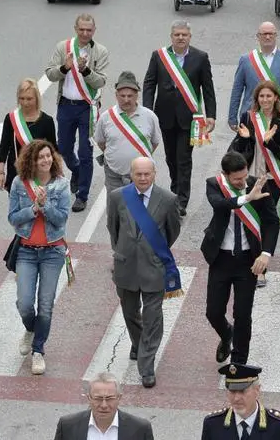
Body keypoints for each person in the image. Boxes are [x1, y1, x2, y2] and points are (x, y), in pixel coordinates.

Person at [106, 157, 182, 388]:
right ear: (131, 174)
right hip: (126, 265)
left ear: (155, 174)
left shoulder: (168, 200)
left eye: (147, 174)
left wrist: (153, 250)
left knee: (152, 317)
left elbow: (172, 231)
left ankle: (146, 365)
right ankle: (138, 344)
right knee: (130, 313)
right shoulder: (118, 196)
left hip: (154, 267)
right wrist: (123, 250)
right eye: (138, 174)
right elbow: (113, 227)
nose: (143, 178)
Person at [202, 152, 280, 365]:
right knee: (213, 312)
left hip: (248, 261)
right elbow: (220, 205)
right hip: (221, 258)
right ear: (225, 175)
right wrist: (246, 198)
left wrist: (265, 253)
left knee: (243, 315)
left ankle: (238, 363)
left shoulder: (258, 186)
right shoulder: (214, 185)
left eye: (245, 176)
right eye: (237, 179)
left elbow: (272, 222)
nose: (242, 182)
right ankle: (227, 334)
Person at [8, 139, 72, 375]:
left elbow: (61, 219)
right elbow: (13, 218)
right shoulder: (19, 183)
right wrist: (33, 209)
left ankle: (38, 350)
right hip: (26, 250)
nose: (45, 160)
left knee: (45, 304)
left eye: (48, 156)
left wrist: (45, 206)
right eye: (40, 157)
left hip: (52, 251)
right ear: (31, 162)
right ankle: (31, 328)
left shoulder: (62, 185)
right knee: (25, 303)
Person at [142, 20, 217, 216]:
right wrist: (147, 112)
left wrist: (211, 116)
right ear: (171, 36)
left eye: (184, 35)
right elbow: (149, 84)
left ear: (189, 37)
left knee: (184, 159)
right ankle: (176, 188)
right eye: (177, 35)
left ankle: (181, 200)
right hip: (164, 116)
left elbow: (208, 89)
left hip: (189, 119)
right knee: (170, 158)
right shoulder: (159, 56)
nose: (181, 38)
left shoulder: (200, 58)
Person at [228, 81, 280, 290]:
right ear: (257, 99)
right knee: (250, 219)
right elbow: (239, 149)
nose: (265, 100)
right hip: (251, 175)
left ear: (275, 98)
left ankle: (262, 268)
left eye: (268, 96)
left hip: (271, 177)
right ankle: (251, 262)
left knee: (267, 220)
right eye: (261, 96)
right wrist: (244, 137)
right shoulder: (248, 117)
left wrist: (269, 141)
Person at [44, 13, 109, 212]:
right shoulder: (63, 47)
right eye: (81, 29)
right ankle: (78, 171)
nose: (85, 33)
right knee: (63, 148)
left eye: (89, 30)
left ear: (94, 31)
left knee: (85, 152)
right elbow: (49, 74)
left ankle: (82, 195)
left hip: (87, 108)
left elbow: (101, 81)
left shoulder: (100, 51)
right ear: (75, 28)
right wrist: (65, 67)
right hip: (65, 105)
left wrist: (86, 70)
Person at [94, 72, 162, 193]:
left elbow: (154, 143)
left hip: (143, 176)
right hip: (114, 175)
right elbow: (100, 141)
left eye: (130, 96)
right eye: (122, 96)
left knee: (143, 210)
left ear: (137, 96)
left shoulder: (150, 116)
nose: (126, 100)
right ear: (116, 95)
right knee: (116, 210)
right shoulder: (106, 117)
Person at [227, 22, 280, 134]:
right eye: (264, 34)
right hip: (250, 117)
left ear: (276, 36)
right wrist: (232, 117)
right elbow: (237, 90)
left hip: (276, 119)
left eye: (271, 34)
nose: (268, 37)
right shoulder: (246, 60)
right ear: (258, 36)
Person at [201, 364, 280, 440]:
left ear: (257, 390)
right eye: (232, 391)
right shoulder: (213, 424)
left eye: (243, 391)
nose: (236, 398)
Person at [0, 78, 57, 193]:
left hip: (40, 176)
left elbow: (53, 150)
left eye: (29, 99)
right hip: (16, 174)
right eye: (22, 98)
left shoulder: (47, 121)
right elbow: (4, 148)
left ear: (37, 99)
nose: (25, 103)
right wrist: (0, 172)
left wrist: (56, 175)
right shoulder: (11, 119)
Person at [52, 372, 154, 439]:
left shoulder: (140, 429)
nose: (104, 405)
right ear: (89, 398)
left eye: (109, 398)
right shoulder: (67, 426)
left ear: (119, 398)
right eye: (98, 398)